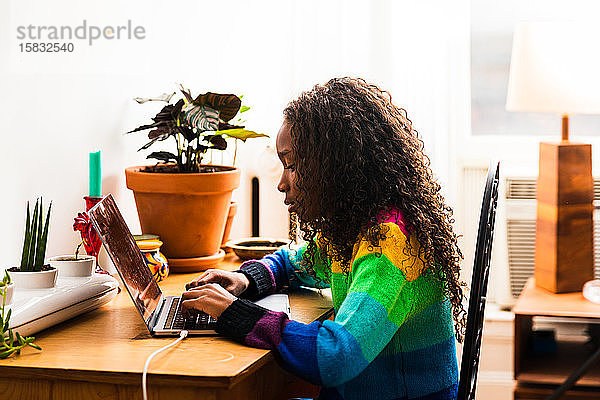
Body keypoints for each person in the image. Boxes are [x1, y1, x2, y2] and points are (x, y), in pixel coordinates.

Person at [181, 77, 465, 400]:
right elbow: (294, 263)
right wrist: (243, 280)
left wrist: (236, 313)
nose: (282, 183)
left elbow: (338, 354)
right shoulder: (353, 229)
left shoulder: (390, 242)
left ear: (332, 164)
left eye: (291, 164)